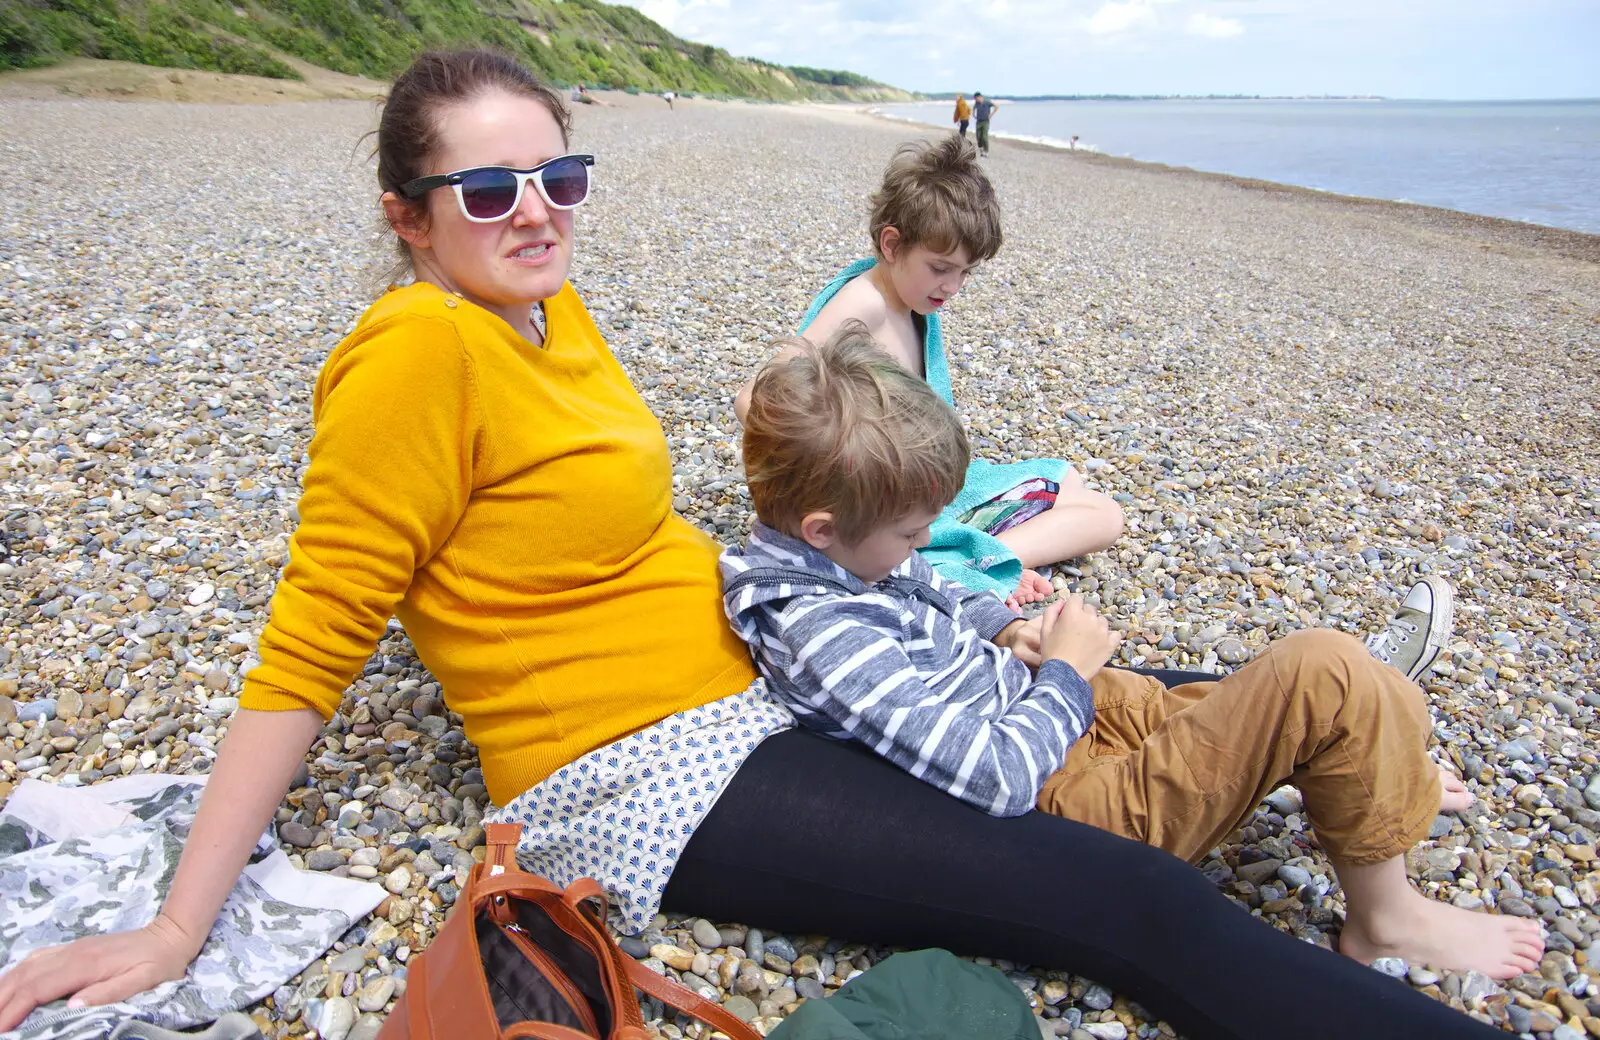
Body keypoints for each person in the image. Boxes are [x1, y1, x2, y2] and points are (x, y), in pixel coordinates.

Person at [0, 49, 1518, 1040]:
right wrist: (177, 923)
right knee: (1119, 901)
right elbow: (313, 632)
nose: (536, 210)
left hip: (755, 658)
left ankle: (1337, 760)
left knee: (1111, 671)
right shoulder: (409, 356)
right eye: (489, 188)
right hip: (654, 759)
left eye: (560, 175)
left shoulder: (540, 308)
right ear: (411, 215)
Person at [724, 327, 1544, 979]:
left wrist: (1006, 627)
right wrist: (1068, 674)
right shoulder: (818, 629)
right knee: (1319, 673)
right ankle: (1384, 919)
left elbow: (934, 590)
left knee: (1316, 692)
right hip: (1062, 790)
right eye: (910, 530)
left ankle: (1374, 772)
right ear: (823, 531)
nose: (926, 543)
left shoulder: (839, 559)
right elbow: (995, 776)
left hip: (1052, 709)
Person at [736, 135, 1124, 609]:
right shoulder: (864, 304)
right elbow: (755, 399)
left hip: (919, 492)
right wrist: (856, 471)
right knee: (1105, 517)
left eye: (966, 272)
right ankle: (964, 564)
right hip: (883, 504)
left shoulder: (910, 300)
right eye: (941, 267)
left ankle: (959, 553)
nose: (954, 286)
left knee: (1069, 482)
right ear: (892, 243)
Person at [972, 91, 997, 155]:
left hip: (985, 121)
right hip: (978, 122)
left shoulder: (987, 102)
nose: (976, 100)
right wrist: (973, 114)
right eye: (975, 99)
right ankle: (981, 149)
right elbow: (974, 108)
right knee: (978, 136)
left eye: (976, 98)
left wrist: (991, 114)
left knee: (984, 136)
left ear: (979, 97)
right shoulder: (976, 103)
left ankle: (986, 151)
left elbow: (996, 106)